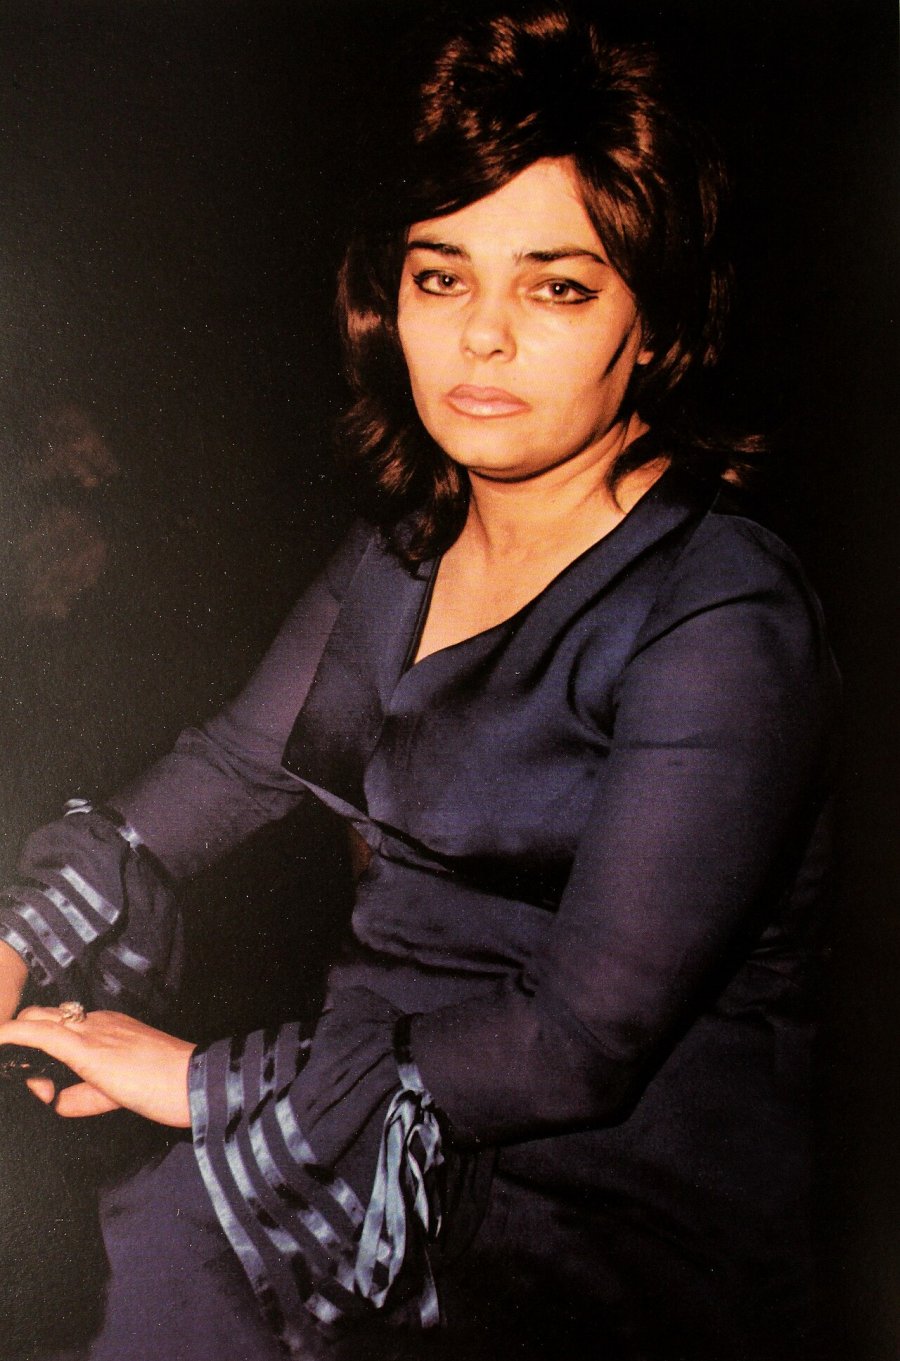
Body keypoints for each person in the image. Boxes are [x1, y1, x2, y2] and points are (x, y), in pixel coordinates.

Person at [0, 5, 838, 1359]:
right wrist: (21, 933)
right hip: (362, 1133)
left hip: (599, 1235)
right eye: (443, 278)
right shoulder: (404, 544)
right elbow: (231, 767)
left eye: (557, 288)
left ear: (657, 319)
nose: (481, 338)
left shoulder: (723, 612)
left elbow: (581, 1041)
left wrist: (205, 1083)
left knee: (191, 1230)